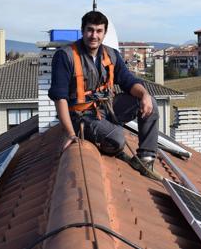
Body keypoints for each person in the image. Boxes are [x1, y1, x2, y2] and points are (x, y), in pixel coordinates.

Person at [48, 10, 162, 180]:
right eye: (90, 30)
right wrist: (70, 134)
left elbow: (128, 81)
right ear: (83, 30)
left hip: (106, 108)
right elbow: (60, 98)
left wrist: (144, 94)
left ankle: (145, 159)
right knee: (117, 139)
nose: (94, 35)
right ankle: (106, 138)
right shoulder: (66, 56)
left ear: (105, 33)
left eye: (99, 31)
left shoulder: (111, 55)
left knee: (150, 102)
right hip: (81, 116)